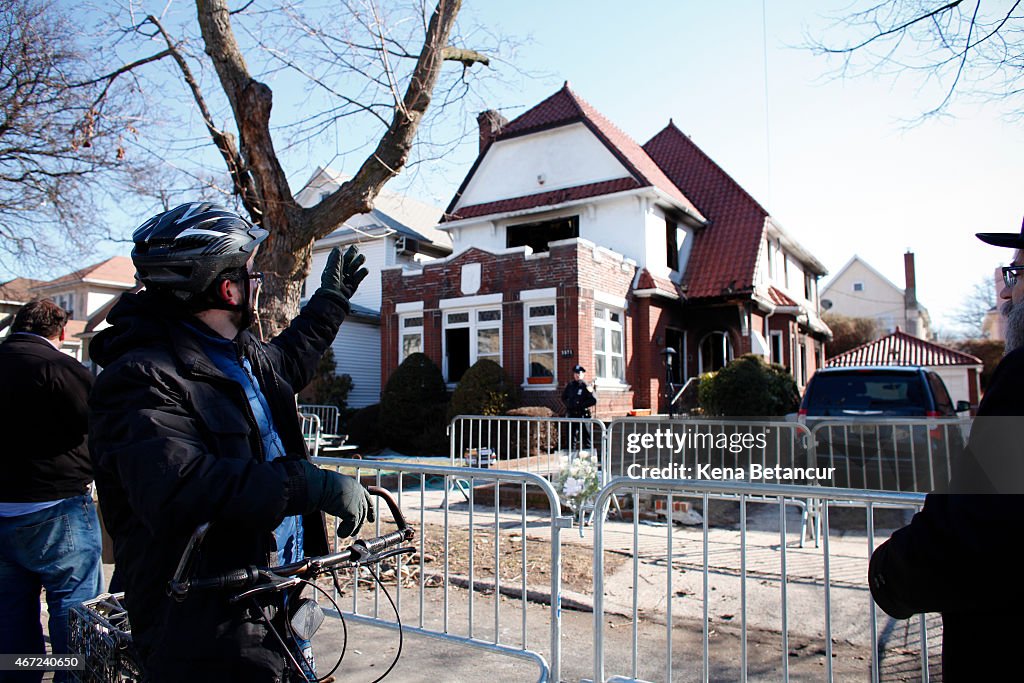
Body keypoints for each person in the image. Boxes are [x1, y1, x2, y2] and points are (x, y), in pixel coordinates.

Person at [88, 203, 375, 682]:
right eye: (250, 272)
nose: (256, 282)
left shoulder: (235, 353)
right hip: (205, 622)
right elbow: (178, 487)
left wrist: (332, 300)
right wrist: (305, 484)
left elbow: (288, 361)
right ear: (227, 288)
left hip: (268, 594)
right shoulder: (142, 377)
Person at [868, 218, 1024, 679]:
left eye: (1015, 274)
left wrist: (889, 573)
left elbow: (969, 539)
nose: (1005, 294)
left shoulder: (1020, 383)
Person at [0, 299, 103, 682]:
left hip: (6, 510)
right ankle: (69, 676)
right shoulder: (60, 369)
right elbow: (101, 422)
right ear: (61, 333)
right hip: (57, 509)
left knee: (11, 619)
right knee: (72, 615)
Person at [562, 364, 597, 450]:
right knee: (570, 439)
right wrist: (570, 405)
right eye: (576, 373)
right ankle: (571, 460)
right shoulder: (570, 386)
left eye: (579, 373)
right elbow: (564, 397)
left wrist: (581, 405)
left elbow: (593, 400)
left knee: (586, 439)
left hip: (583, 416)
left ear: (583, 374)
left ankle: (589, 459)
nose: (577, 375)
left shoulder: (586, 386)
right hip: (572, 415)